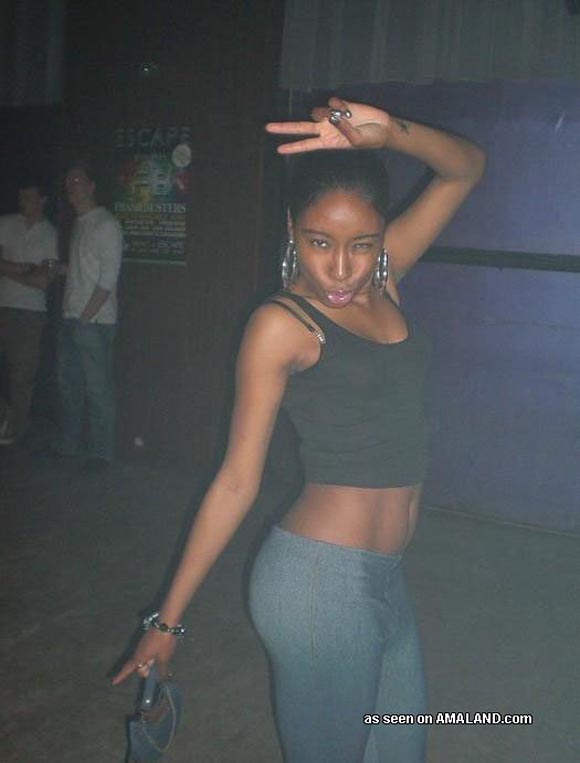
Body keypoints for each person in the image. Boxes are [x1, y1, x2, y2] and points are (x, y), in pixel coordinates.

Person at [113, 98, 485, 762]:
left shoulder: (385, 279)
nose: (340, 269)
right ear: (292, 230)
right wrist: (167, 621)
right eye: (319, 242)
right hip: (317, 585)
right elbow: (235, 481)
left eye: (361, 244)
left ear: (380, 237)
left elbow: (466, 167)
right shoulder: (282, 324)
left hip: (386, 575)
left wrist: (391, 134)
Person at [55, 160, 123, 468]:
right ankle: (68, 446)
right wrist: (63, 269)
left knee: (97, 390)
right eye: (68, 182)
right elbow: (86, 269)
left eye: (77, 181)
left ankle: (101, 454)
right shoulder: (80, 223)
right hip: (72, 317)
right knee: (69, 386)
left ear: (92, 186)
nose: (71, 186)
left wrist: (85, 318)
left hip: (94, 322)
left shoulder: (106, 224)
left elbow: (107, 280)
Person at [0, 182, 58, 445]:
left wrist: (7, 269)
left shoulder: (50, 234)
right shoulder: (6, 223)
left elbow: (43, 281)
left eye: (28, 197)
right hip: (2, 305)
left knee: (22, 375)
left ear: (42, 200)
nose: (23, 201)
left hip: (31, 313)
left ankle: (16, 428)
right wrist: (23, 269)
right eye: (21, 196)